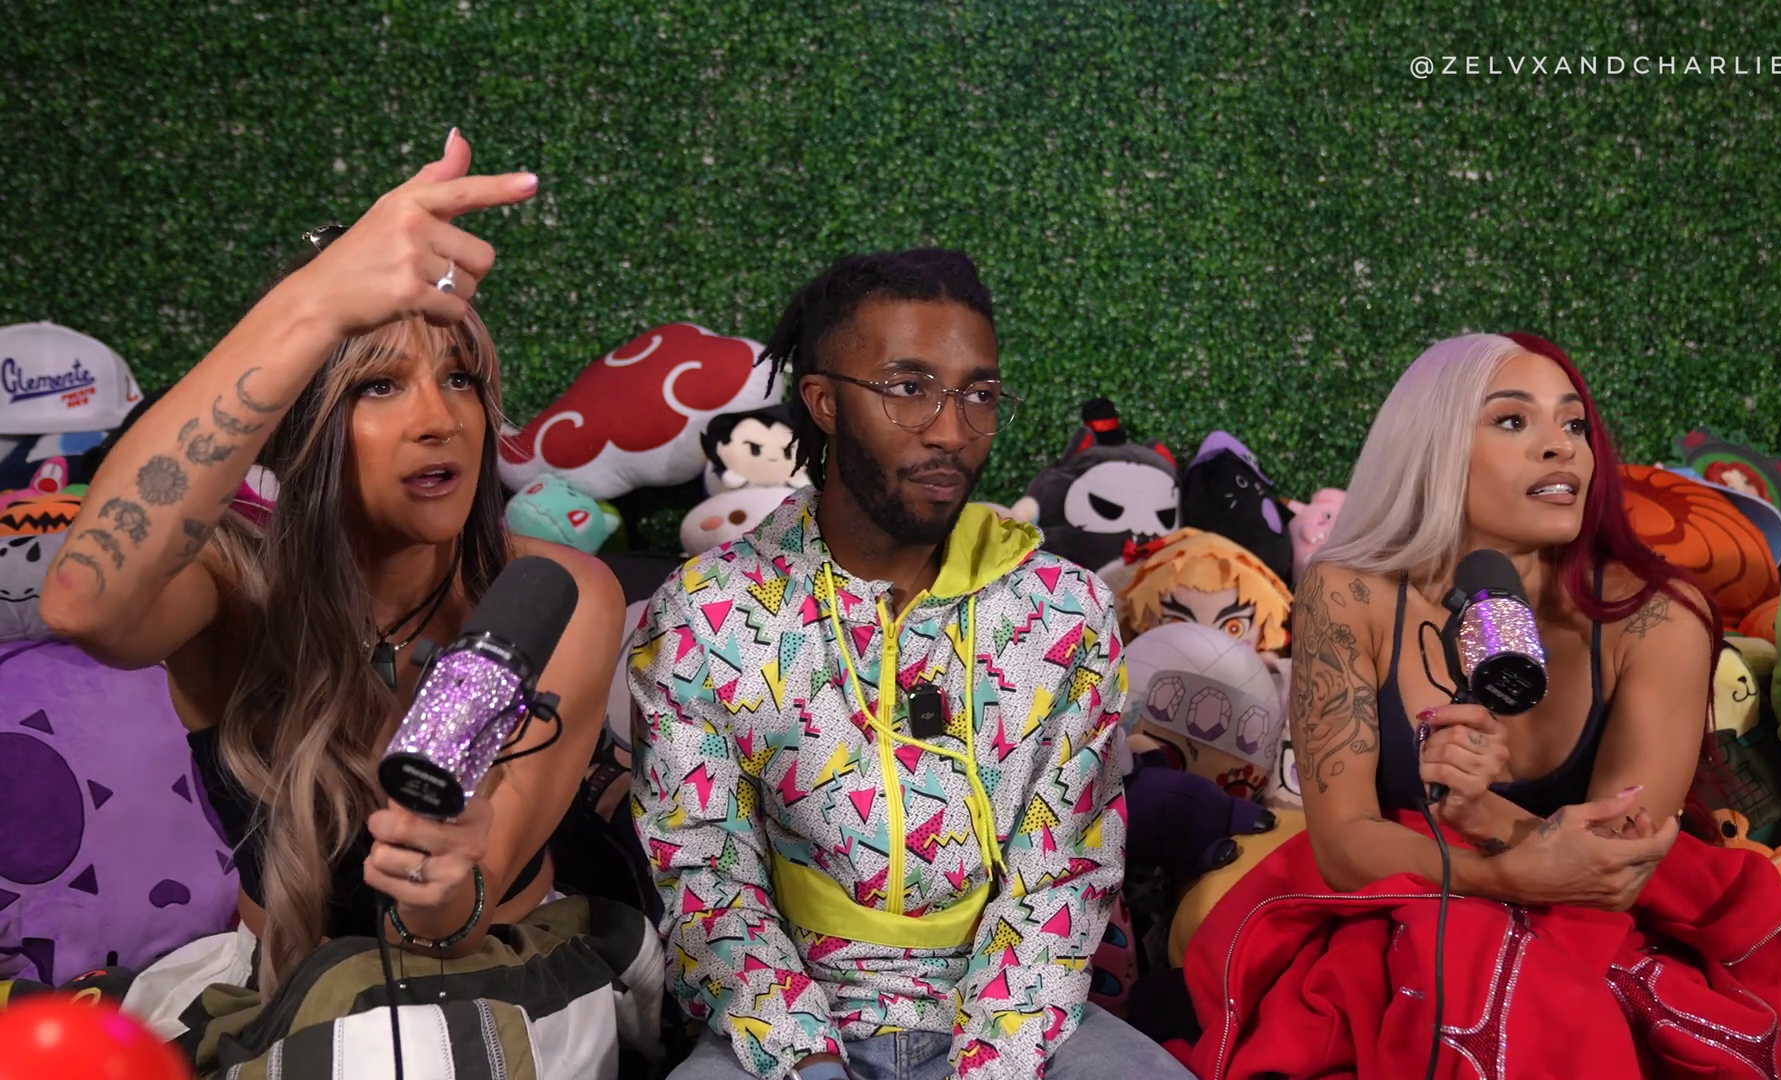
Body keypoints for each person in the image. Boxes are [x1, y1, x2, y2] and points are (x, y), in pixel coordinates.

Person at [38, 132, 648, 1073]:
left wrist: (443, 878)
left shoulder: (556, 593)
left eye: (459, 378)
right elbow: (85, 604)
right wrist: (313, 306)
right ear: (300, 429)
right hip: (276, 989)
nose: (438, 419)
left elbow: (445, 921)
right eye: (377, 386)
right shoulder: (231, 587)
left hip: (489, 981)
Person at [1173, 333, 1781, 1079]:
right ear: (1433, 446)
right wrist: (1502, 876)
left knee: (1523, 980)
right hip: (1393, 920)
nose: (1560, 447)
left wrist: (1483, 818)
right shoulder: (1347, 592)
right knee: (1441, 953)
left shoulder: (1661, 616)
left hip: (1589, 933)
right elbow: (1344, 844)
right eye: (1512, 420)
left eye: (1574, 424)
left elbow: (1616, 866)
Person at [630, 249, 1191, 1080]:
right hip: (785, 1027)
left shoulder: (1066, 610)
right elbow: (705, 871)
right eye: (908, 388)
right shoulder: (708, 608)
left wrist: (991, 1065)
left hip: (1019, 1022)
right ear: (823, 402)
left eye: (979, 394)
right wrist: (804, 1061)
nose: (952, 431)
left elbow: (1066, 868)